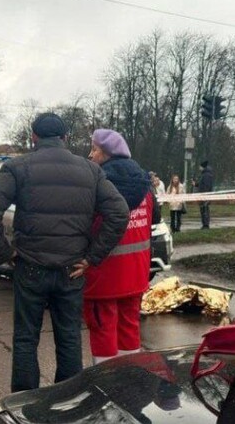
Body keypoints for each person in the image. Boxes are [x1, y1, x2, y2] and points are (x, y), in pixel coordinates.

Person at [0, 113, 129, 392]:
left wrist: (5, 253)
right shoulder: (90, 170)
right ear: (65, 138)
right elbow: (119, 213)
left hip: (29, 266)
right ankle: (67, 404)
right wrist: (92, 257)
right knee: (69, 337)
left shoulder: (17, 167)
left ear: (33, 137)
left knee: (25, 338)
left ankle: (23, 406)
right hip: (72, 270)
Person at [84, 129, 160, 364]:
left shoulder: (97, 184)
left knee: (102, 328)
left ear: (106, 154)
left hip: (104, 273)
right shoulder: (145, 184)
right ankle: (130, 377)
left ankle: (105, 383)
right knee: (129, 327)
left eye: (94, 149)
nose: (90, 155)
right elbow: (155, 218)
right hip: (136, 272)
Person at [193, 160, 214, 229]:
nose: (199, 168)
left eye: (200, 166)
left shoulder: (206, 175)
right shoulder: (204, 174)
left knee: (205, 210)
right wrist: (196, 184)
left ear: (203, 167)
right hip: (203, 195)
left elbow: (206, 186)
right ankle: (204, 224)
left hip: (205, 196)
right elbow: (202, 184)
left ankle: (206, 225)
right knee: (203, 210)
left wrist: (204, 195)